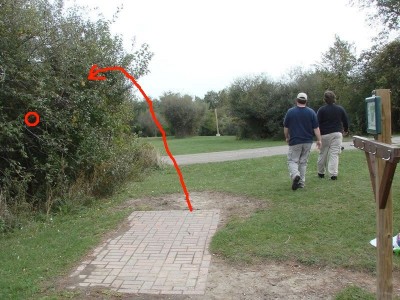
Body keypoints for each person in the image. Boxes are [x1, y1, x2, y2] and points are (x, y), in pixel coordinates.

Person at [284, 92, 322, 190]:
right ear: (306, 101)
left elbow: (286, 127)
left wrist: (287, 137)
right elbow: (316, 128)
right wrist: (319, 140)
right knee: (303, 162)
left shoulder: (290, 112)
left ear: (296, 100)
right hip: (308, 141)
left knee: (292, 160)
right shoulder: (311, 112)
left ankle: (296, 175)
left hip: (295, 141)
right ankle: (301, 183)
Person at [316, 91, 349, 180]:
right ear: (334, 98)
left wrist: (317, 136)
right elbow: (345, 121)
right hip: (337, 133)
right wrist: (345, 130)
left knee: (323, 153)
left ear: (325, 99)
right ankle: (333, 174)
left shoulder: (321, 110)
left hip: (324, 134)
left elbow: (317, 124)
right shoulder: (340, 109)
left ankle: (321, 172)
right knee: (334, 154)